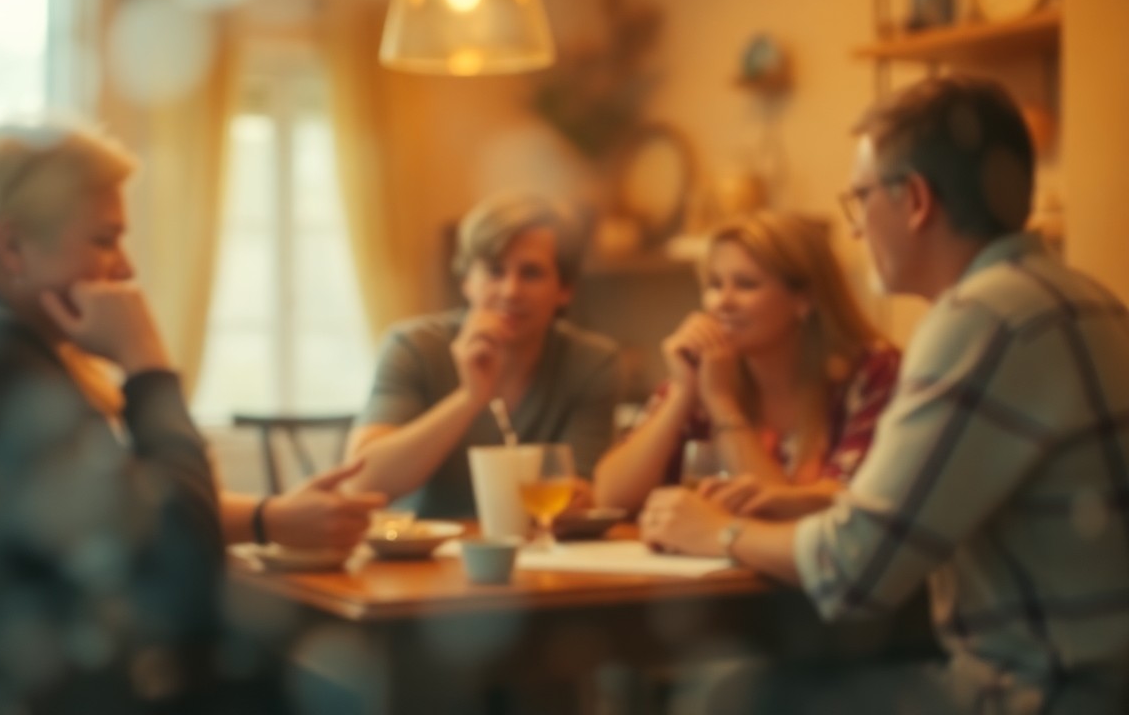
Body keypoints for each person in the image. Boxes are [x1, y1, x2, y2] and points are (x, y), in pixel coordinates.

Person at [0, 119, 373, 714]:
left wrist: (271, 517)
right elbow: (182, 576)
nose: (124, 268)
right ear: (12, 246)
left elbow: (114, 512)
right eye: (104, 239)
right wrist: (148, 367)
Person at [641, 76, 1129, 714]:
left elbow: (855, 572)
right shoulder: (1084, 298)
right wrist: (809, 502)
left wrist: (721, 532)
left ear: (916, 200)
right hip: (1100, 676)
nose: (854, 230)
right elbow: (931, 510)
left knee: (730, 695)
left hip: (1039, 692)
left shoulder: (979, 320)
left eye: (861, 198)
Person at [594, 210, 899, 520]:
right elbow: (610, 497)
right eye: (714, 285)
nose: (722, 302)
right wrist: (681, 394)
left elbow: (815, 521)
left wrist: (721, 401)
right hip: (711, 565)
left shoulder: (872, 373)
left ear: (804, 298)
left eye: (746, 284)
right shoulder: (703, 370)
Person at [343, 190, 621, 518]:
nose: (510, 291)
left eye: (530, 273)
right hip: (417, 554)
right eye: (494, 271)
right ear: (466, 281)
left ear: (564, 290)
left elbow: (579, 489)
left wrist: (580, 497)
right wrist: (469, 398)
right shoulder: (414, 347)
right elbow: (361, 482)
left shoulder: (592, 363)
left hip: (535, 557)